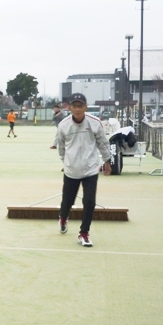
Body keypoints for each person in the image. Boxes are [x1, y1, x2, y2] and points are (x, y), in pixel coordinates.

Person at [56, 92, 111, 247]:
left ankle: (84, 233)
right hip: (71, 170)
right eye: (74, 106)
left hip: (90, 169)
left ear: (85, 107)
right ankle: (63, 217)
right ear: (69, 107)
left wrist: (107, 160)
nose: (77, 109)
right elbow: (61, 148)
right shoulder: (63, 125)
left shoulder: (95, 123)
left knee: (89, 201)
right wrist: (67, 162)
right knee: (67, 201)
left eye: (80, 106)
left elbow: (103, 143)